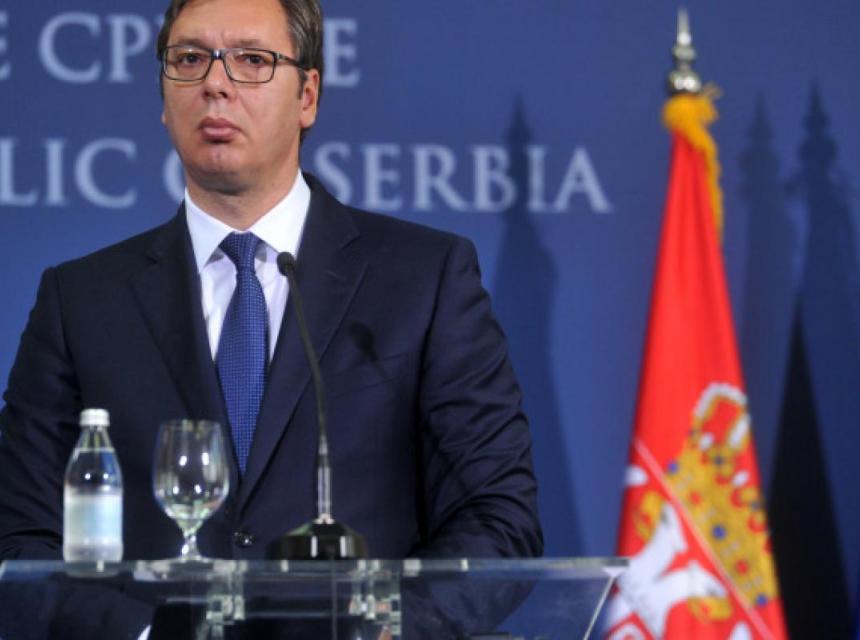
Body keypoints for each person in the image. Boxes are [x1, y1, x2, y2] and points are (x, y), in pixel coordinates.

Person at [0, 0, 542, 635]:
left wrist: (380, 630)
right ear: (164, 97)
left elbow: (497, 518)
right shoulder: (81, 300)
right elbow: (18, 536)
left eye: (252, 60)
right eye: (189, 59)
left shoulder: (425, 279)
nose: (215, 83)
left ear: (307, 96)